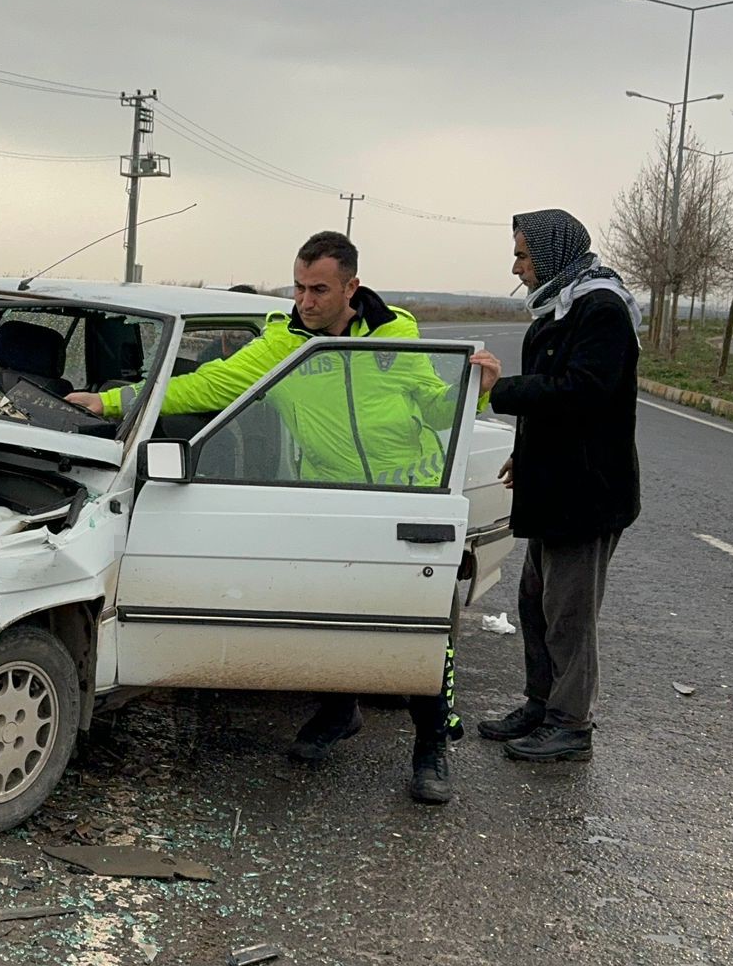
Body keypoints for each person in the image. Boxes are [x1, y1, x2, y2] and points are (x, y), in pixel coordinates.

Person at [67, 230, 465, 804]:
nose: (306, 300)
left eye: (320, 289)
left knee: (421, 633)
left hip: (408, 498)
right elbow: (207, 385)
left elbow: (436, 401)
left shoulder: (396, 334)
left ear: (352, 286)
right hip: (329, 499)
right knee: (332, 614)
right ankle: (339, 712)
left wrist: (474, 385)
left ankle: (431, 749)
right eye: (299, 287)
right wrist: (110, 402)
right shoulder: (284, 344)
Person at [467, 209, 640, 764]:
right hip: (552, 483)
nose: (516, 267)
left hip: (586, 490)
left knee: (570, 612)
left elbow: (582, 392)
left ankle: (571, 724)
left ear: (552, 253)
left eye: (523, 255)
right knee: (536, 602)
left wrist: (503, 389)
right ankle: (541, 706)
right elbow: (554, 405)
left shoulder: (601, 310)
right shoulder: (558, 306)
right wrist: (525, 453)